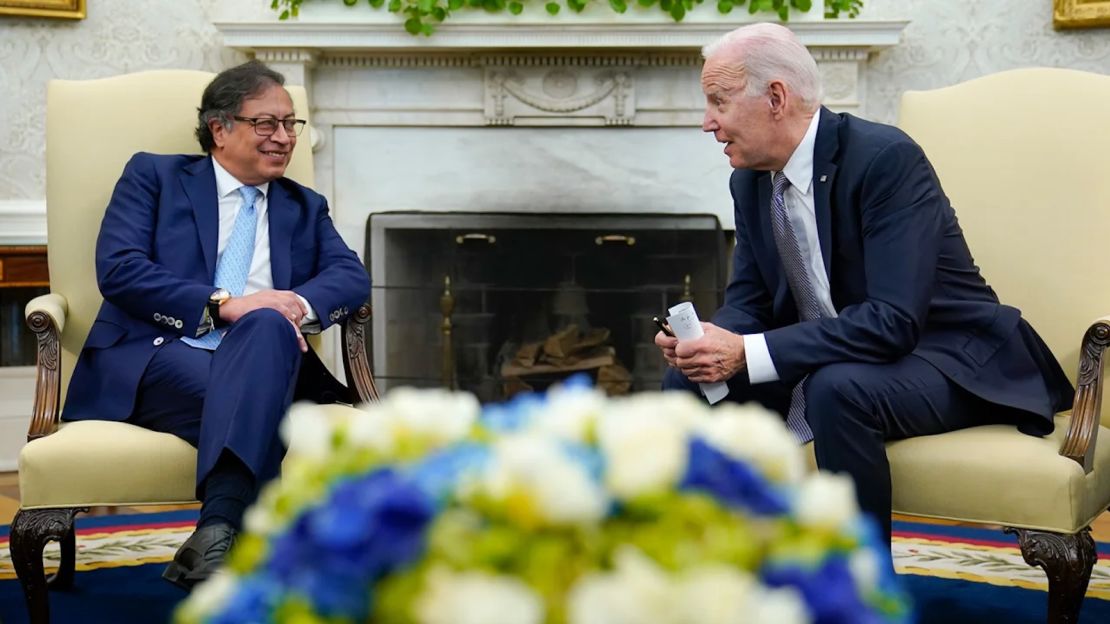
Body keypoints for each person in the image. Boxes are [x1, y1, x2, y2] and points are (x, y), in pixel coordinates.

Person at [655, 23, 1074, 544]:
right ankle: (732, 568)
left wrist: (747, 352)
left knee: (839, 390)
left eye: (718, 101)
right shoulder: (750, 179)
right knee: (688, 383)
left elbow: (893, 322)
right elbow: (751, 302)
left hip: (944, 355)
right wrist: (709, 345)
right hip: (841, 355)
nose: (707, 122)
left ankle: (861, 590)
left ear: (776, 98)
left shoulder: (884, 159)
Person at [62, 60, 370, 588]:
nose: (283, 137)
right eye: (266, 123)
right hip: (159, 353)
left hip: (268, 354)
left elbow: (349, 276)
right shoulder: (154, 176)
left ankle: (216, 534)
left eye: (290, 124)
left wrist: (290, 304)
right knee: (259, 393)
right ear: (219, 128)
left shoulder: (304, 205)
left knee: (270, 328)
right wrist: (226, 305)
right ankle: (260, 553)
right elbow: (120, 269)